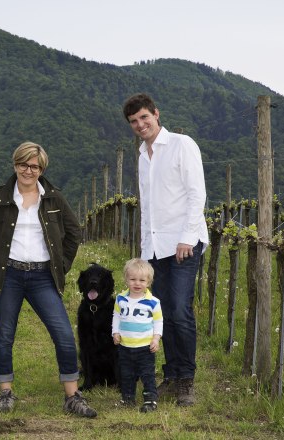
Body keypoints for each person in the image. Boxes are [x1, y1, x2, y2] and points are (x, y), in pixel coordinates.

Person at [0, 141, 97, 418]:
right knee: (4, 334)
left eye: (34, 166)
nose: (28, 170)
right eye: (23, 164)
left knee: (63, 334)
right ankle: (5, 393)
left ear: (42, 169)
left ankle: (72, 396)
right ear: (15, 165)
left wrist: (61, 266)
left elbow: (74, 232)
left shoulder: (53, 198)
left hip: (43, 276)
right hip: (8, 275)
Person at [123, 93, 209, 407]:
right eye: (134, 121)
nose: (140, 125)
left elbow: (196, 193)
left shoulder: (181, 144)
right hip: (155, 248)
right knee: (161, 312)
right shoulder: (142, 156)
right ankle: (171, 375)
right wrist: (144, 251)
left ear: (156, 114)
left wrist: (187, 237)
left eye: (144, 117)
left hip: (183, 243)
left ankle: (186, 380)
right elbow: (148, 208)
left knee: (180, 310)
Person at [112, 258, 163, 413]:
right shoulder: (121, 299)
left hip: (145, 347)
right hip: (125, 346)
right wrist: (115, 332)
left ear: (149, 282)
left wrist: (156, 339)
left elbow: (158, 321)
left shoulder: (153, 302)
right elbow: (116, 316)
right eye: (133, 279)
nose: (137, 283)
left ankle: (150, 400)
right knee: (126, 374)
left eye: (142, 280)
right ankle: (128, 398)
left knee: (147, 374)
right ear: (126, 279)